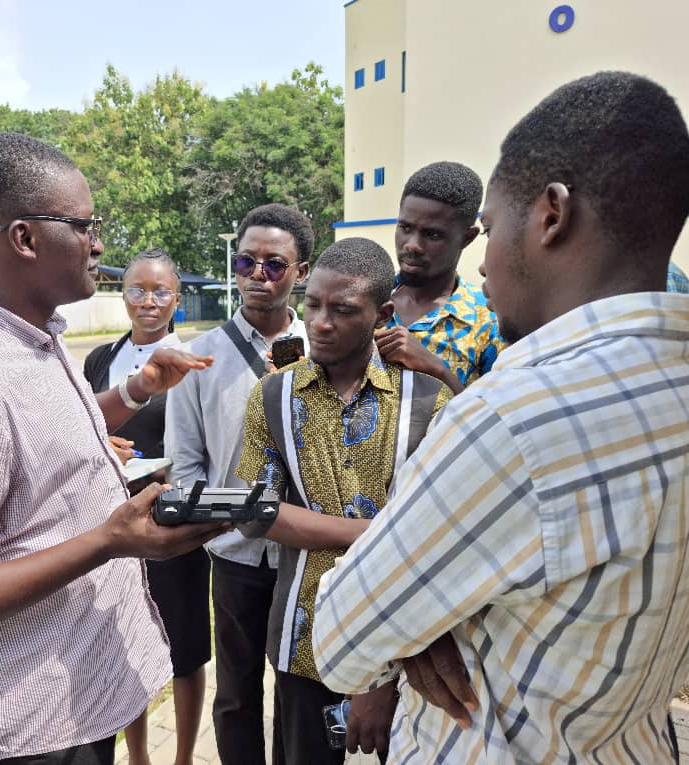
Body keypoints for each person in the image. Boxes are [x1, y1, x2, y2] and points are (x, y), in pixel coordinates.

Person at [312, 71, 689, 764]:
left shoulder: (515, 421)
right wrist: (421, 623)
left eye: (487, 228)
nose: (483, 262)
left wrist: (410, 624)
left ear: (550, 214)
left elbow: (340, 639)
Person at [0, 132, 226, 765]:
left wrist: (139, 389)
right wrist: (108, 541)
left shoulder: (34, 341)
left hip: (77, 705)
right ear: (25, 239)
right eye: (84, 226)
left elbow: (55, 435)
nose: (99, 243)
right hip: (28, 733)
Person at [235, 237, 451, 765]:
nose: (320, 322)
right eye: (312, 304)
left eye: (342, 309)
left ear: (381, 314)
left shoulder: (427, 402)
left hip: (404, 652)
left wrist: (380, 678)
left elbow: (439, 540)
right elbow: (254, 513)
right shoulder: (273, 395)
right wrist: (376, 533)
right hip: (301, 642)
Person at [165, 203, 313, 765]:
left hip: (309, 558)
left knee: (301, 693)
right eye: (246, 261)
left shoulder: (323, 349)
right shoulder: (199, 357)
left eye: (274, 265)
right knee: (235, 696)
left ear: (300, 270)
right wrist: (234, 520)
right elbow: (186, 467)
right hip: (234, 558)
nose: (257, 275)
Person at [83, 248, 210, 765]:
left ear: (177, 299)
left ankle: (180, 758)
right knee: (123, 643)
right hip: (113, 521)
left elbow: (205, 445)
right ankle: (137, 757)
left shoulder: (198, 361)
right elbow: (84, 428)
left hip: (171, 520)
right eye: (137, 289)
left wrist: (168, 471)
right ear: (124, 295)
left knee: (184, 646)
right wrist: (100, 444)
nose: (149, 301)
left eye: (160, 291)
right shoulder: (98, 361)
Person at [375, 161, 504, 393]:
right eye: (405, 228)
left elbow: (494, 421)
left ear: (467, 237)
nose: (412, 245)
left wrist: (436, 370)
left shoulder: (488, 323)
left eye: (432, 234)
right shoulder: (366, 300)